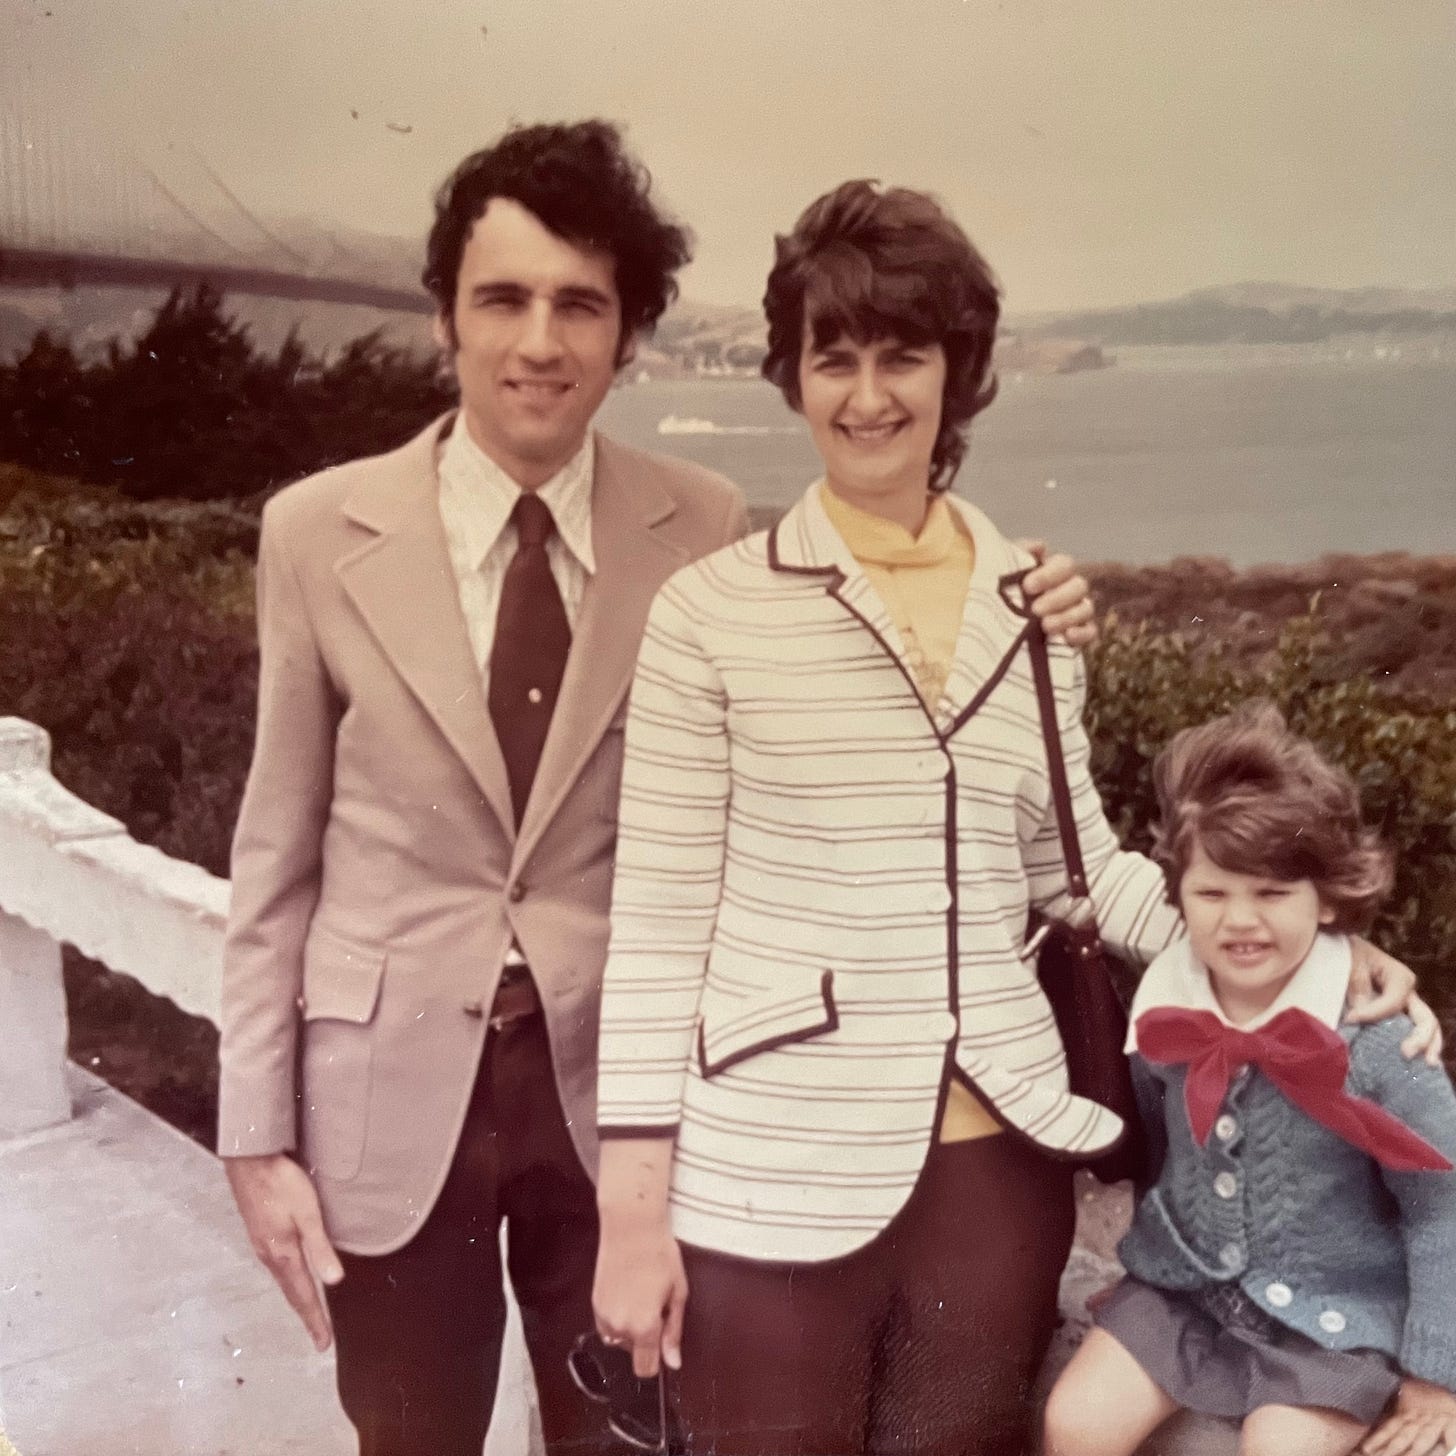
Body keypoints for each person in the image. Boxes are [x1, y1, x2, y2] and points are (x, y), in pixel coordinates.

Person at [216, 123, 1096, 1456]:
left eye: (582, 305)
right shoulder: (314, 531)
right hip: (384, 1108)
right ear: (445, 314)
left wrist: (1040, 607)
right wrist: (253, 1137)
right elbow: (271, 860)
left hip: (614, 1110)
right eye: (502, 298)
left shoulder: (699, 520)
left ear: (627, 336)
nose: (540, 342)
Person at [590, 181, 1435, 1456]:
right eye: (835, 358)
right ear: (793, 375)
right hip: (772, 1173)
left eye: (903, 355)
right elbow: (654, 925)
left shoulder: (1030, 609)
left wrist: (1324, 953)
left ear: (957, 372)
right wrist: (633, 1213)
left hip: (993, 1173)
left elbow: (1077, 871)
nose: (868, 395)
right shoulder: (710, 614)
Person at [1043, 703, 1456, 1456]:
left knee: (1279, 1450)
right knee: (1075, 1423)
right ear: (1179, 895)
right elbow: (1163, 1158)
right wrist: (1149, 1259)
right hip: (1184, 1296)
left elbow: (1443, 1207)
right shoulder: (1167, 1004)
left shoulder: (1378, 1043)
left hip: (1330, 1318)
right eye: (1213, 893)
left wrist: (1437, 1376)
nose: (1240, 920)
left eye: (1272, 894)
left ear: (1328, 900)